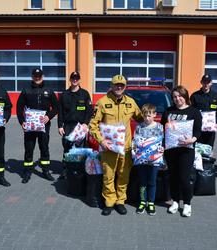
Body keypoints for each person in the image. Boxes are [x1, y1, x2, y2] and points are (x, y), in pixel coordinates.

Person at [89, 75, 143, 216]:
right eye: (116, 85)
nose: (119, 87)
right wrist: (101, 141)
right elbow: (93, 125)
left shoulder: (131, 103)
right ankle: (109, 202)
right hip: (109, 148)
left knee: (123, 176)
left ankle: (120, 201)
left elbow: (142, 119)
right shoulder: (102, 102)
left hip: (126, 148)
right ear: (111, 86)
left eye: (122, 85)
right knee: (108, 176)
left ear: (125, 87)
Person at [161, 86, 202, 217]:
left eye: (180, 96)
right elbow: (163, 129)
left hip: (186, 150)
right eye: (174, 96)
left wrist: (192, 139)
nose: (177, 99)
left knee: (184, 178)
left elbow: (198, 131)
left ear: (185, 96)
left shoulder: (194, 112)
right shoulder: (168, 111)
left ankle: (187, 203)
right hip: (171, 150)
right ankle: (175, 202)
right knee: (172, 177)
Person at [16, 68, 59, 183]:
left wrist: (48, 116)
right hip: (30, 126)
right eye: (35, 76)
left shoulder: (49, 90)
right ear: (32, 77)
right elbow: (19, 107)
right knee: (29, 149)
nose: (37, 78)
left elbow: (56, 107)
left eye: (39, 76)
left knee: (44, 148)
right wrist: (22, 122)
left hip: (44, 125)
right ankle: (27, 171)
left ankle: (45, 171)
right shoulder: (26, 90)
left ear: (42, 76)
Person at [57, 71, 93, 179]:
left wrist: (86, 124)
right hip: (68, 126)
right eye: (73, 78)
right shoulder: (64, 94)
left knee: (80, 148)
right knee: (67, 148)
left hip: (81, 127)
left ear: (79, 80)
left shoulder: (85, 94)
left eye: (77, 78)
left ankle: (78, 170)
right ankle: (66, 170)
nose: (75, 80)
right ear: (70, 79)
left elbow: (89, 111)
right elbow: (60, 111)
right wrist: (60, 126)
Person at [132, 103, 164, 216]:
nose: (147, 118)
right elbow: (135, 142)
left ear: (155, 115)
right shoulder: (139, 127)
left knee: (152, 182)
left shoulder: (160, 127)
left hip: (154, 160)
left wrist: (162, 150)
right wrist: (133, 150)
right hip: (141, 160)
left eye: (150, 115)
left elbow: (162, 142)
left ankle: (151, 202)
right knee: (142, 182)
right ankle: (142, 202)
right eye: (145, 115)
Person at [190, 74, 217, 147]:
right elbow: (191, 111)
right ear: (201, 82)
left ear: (211, 83)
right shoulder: (195, 96)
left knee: (209, 149)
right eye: (204, 82)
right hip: (198, 129)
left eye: (208, 82)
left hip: (210, 129)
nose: (206, 84)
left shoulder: (215, 96)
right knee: (197, 149)